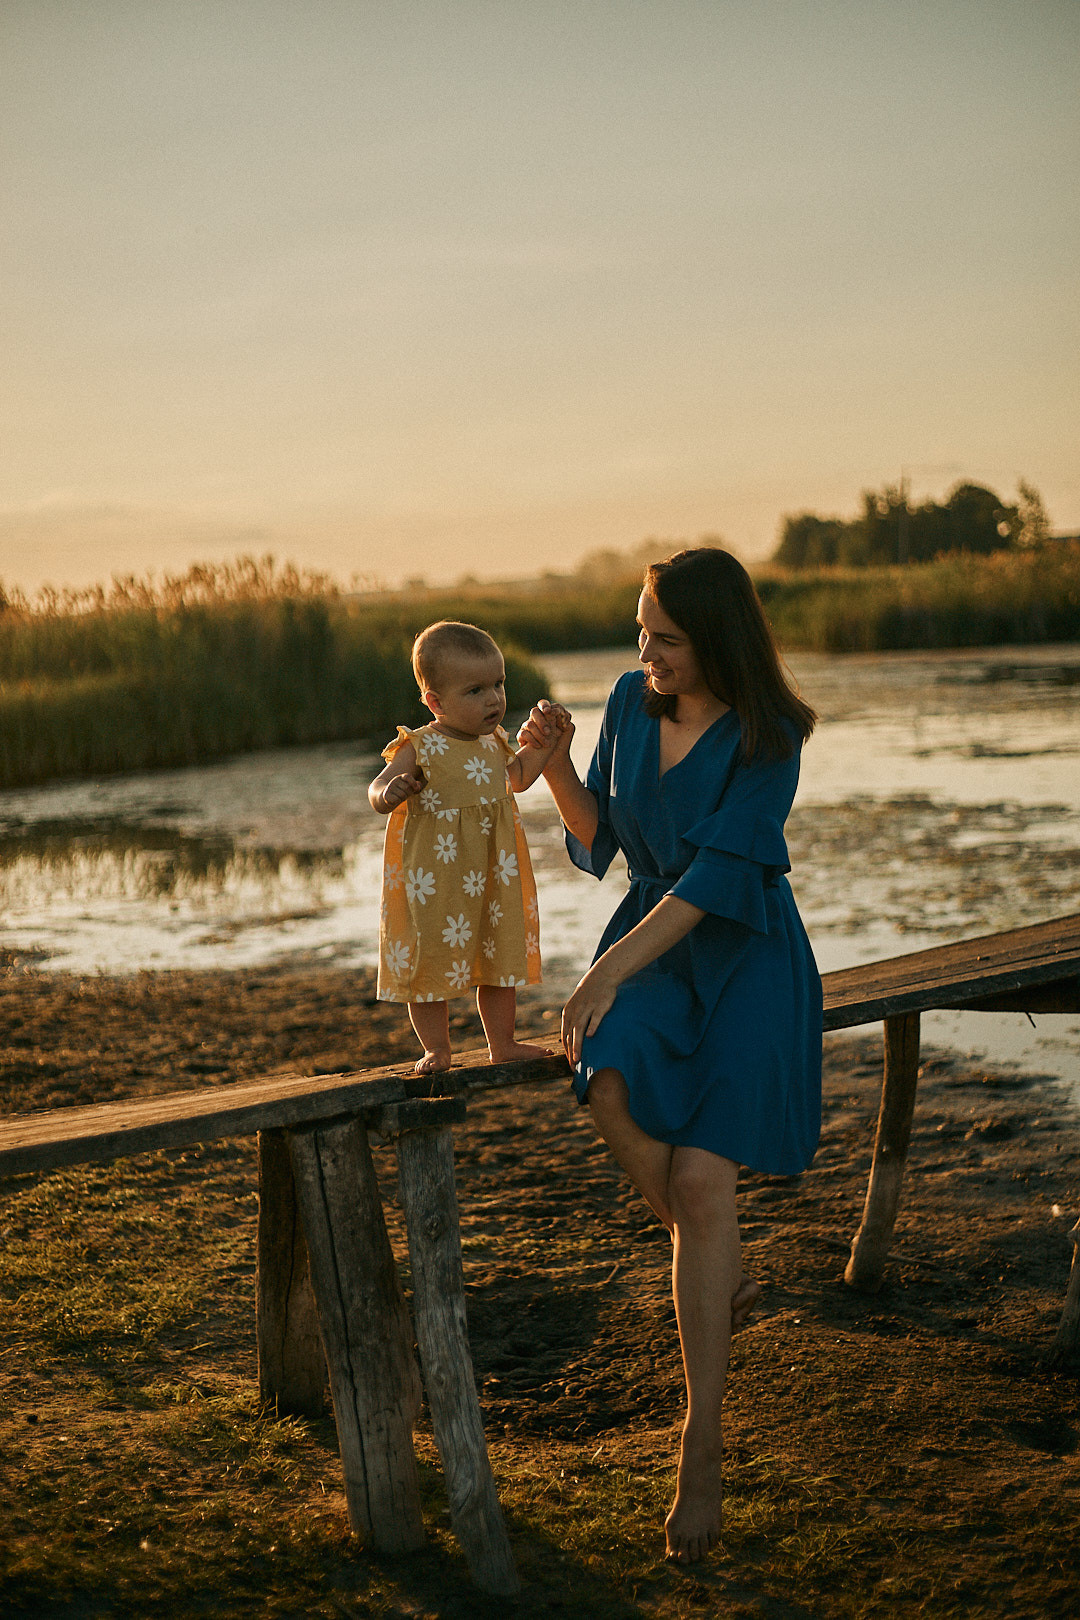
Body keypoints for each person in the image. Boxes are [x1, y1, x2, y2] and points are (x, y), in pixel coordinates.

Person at [519, 547, 821, 1564]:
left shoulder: (771, 736)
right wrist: (559, 764)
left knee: (703, 1176)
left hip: (741, 952)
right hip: (655, 937)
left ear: (719, 639)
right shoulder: (627, 698)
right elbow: (605, 839)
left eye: (667, 639)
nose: (646, 651)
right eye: (640, 629)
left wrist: (605, 972)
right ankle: (716, 1258)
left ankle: (702, 1445)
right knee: (600, 1076)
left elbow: (710, 885)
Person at [369, 619, 569, 1074]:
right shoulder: (418, 746)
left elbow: (517, 779)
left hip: (493, 872)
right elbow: (376, 788)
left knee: (499, 955)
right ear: (435, 702)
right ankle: (437, 1048)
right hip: (436, 878)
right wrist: (388, 793)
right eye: (475, 690)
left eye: (498, 683)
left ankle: (503, 1042)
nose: (494, 698)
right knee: (429, 960)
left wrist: (548, 742)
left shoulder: (494, 743)